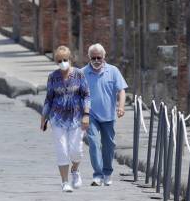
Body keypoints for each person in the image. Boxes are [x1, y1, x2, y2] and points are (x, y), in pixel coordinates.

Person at [41, 45, 91, 192]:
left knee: (76, 150)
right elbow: (49, 98)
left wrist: (86, 115)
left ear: (70, 59)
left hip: (76, 118)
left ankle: (75, 170)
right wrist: (43, 117)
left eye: (65, 59)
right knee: (61, 150)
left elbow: (86, 95)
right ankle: (65, 182)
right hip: (57, 118)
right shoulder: (53, 76)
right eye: (59, 60)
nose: (63, 62)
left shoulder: (79, 75)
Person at [82, 43, 128, 187]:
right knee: (94, 144)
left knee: (108, 146)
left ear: (104, 57)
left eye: (99, 58)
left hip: (108, 115)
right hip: (90, 115)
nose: (96, 60)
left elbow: (121, 90)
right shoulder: (82, 73)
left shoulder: (113, 71)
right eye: (93, 57)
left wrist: (121, 106)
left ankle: (107, 172)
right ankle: (98, 175)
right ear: (89, 57)